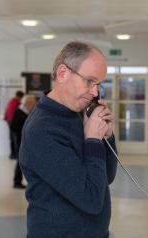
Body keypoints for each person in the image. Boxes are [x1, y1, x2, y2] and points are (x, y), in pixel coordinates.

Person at [19, 41, 118, 238]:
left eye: (98, 84)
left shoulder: (77, 112)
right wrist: (92, 139)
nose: (95, 92)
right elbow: (91, 198)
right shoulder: (42, 130)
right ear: (63, 73)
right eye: (89, 81)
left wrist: (107, 137)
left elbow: (106, 177)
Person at [10, 95, 37, 189]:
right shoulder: (19, 112)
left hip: (23, 140)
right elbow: (13, 126)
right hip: (20, 141)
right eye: (33, 104)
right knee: (20, 162)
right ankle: (17, 182)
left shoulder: (24, 111)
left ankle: (20, 181)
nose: (34, 106)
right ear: (27, 103)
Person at [5, 91, 24, 159]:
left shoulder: (11, 101)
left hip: (9, 121)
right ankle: (16, 155)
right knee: (16, 138)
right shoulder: (17, 102)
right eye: (21, 97)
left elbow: (6, 110)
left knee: (12, 138)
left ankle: (12, 154)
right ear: (19, 96)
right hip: (13, 122)